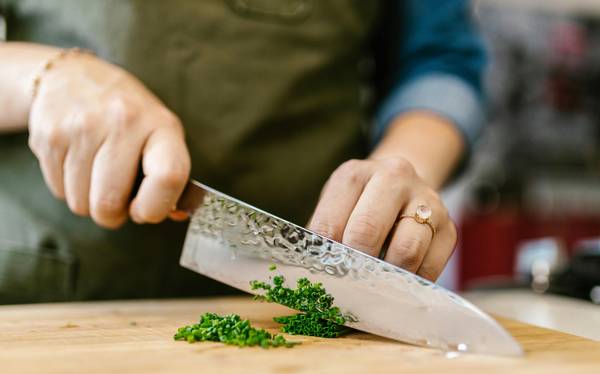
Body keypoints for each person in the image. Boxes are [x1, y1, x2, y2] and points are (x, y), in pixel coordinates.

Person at [0, 0, 486, 303]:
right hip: (41, 297)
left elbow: (438, 60)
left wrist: (398, 176)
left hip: (301, 293)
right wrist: (44, 79)